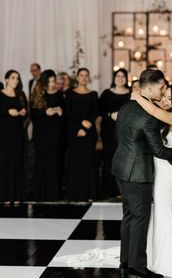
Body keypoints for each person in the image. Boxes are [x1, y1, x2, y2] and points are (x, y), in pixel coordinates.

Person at [112, 69, 172, 278]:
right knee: (140, 217)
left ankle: (125, 261)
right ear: (149, 86)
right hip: (138, 173)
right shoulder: (150, 117)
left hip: (120, 168)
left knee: (129, 216)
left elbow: (119, 136)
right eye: (162, 87)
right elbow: (158, 150)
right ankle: (137, 268)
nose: (163, 91)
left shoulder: (125, 107)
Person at [131, 84, 172, 277]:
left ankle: (167, 263)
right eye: (164, 95)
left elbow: (153, 109)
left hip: (170, 172)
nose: (164, 100)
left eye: (169, 98)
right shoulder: (168, 113)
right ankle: (153, 256)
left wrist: (137, 95)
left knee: (163, 214)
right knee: (159, 213)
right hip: (164, 169)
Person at [65, 68, 99, 201]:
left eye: (86, 75)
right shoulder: (70, 93)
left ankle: (89, 193)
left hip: (89, 132)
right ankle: (74, 193)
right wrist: (81, 123)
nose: (84, 78)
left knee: (88, 162)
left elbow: (96, 111)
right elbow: (68, 112)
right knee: (75, 162)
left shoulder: (93, 94)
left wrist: (87, 125)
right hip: (74, 131)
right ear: (77, 77)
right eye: (81, 75)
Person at [30, 69, 63, 201]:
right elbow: (33, 114)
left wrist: (60, 112)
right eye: (49, 81)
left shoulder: (59, 95)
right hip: (41, 135)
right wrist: (45, 113)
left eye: (53, 81)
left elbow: (64, 114)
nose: (51, 84)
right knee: (41, 162)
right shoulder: (38, 94)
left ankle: (53, 194)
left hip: (55, 134)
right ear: (44, 81)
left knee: (54, 163)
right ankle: (40, 194)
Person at [99, 68, 130, 197]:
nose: (120, 78)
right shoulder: (106, 93)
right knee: (109, 158)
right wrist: (111, 114)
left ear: (126, 78)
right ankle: (109, 189)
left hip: (126, 131)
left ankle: (122, 190)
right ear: (114, 77)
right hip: (108, 130)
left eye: (123, 76)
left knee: (124, 160)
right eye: (118, 76)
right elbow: (100, 110)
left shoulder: (131, 93)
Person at [0, 70, 27, 204]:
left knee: (17, 163)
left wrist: (23, 112)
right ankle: (5, 195)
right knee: (5, 163)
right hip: (4, 134)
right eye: (12, 77)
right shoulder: (0, 94)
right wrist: (7, 112)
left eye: (17, 78)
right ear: (6, 79)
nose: (15, 80)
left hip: (18, 133)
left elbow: (26, 113)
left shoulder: (21, 95)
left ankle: (17, 195)